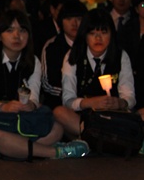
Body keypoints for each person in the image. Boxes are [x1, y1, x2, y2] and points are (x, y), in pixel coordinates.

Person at [0, 10, 89, 161]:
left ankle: (2, 151)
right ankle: (55, 152)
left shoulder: (33, 61)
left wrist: (30, 105)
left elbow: (33, 98)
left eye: (22, 30)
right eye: (10, 30)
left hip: (21, 123)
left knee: (57, 129)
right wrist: (2, 107)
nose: (16, 36)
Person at [53, 9, 136, 140]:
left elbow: (130, 96)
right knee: (59, 112)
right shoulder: (73, 56)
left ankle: (99, 139)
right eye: (92, 33)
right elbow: (68, 100)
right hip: (84, 118)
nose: (98, 38)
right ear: (85, 35)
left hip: (114, 117)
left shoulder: (121, 56)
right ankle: (104, 139)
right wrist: (90, 102)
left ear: (111, 34)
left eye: (103, 32)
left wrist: (120, 103)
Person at [41, 0, 88, 109]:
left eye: (79, 19)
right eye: (68, 19)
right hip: (58, 104)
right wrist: (71, 93)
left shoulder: (91, 45)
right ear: (60, 21)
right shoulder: (52, 46)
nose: (74, 23)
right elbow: (47, 84)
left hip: (88, 103)